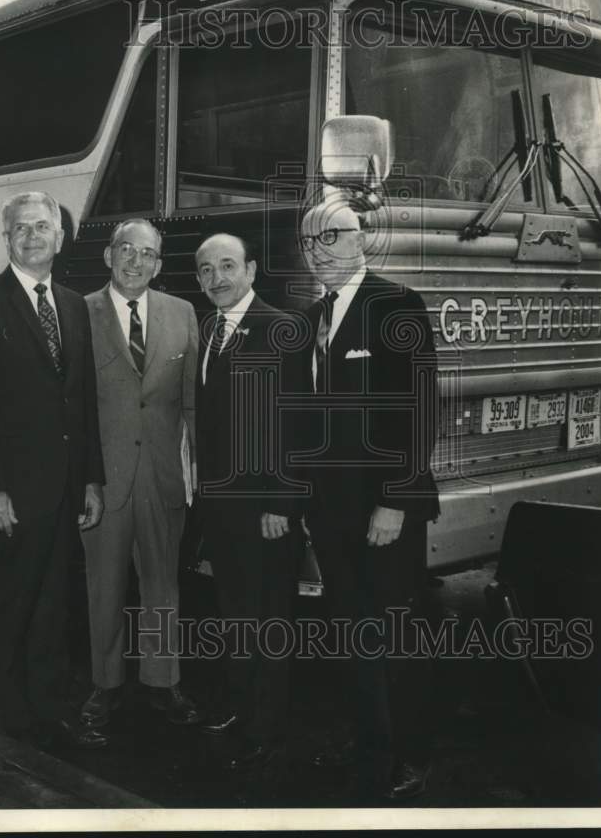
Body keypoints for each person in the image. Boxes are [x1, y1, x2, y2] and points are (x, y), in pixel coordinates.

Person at [0, 191, 106, 749]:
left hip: (65, 488)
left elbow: (81, 400)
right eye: (21, 228)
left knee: (54, 601)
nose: (33, 236)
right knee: (13, 598)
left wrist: (90, 478)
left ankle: (49, 709)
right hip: (13, 491)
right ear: (6, 238)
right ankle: (12, 715)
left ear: (60, 238)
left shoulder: (73, 304)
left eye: (43, 226)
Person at [298, 199, 439, 799]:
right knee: (353, 632)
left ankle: (406, 756)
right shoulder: (311, 318)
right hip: (330, 512)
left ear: (362, 239)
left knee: (394, 632)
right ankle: (368, 742)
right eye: (310, 241)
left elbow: (418, 410)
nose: (320, 249)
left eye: (332, 236)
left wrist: (396, 501)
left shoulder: (398, 305)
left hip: (385, 509)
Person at [79, 219, 202, 728]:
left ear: (158, 263)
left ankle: (162, 682)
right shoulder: (77, 312)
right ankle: (104, 686)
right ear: (108, 255)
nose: (135, 261)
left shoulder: (183, 313)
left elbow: (192, 402)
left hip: (162, 476)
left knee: (162, 586)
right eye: (126, 250)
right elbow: (71, 407)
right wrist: (81, 479)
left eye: (147, 254)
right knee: (103, 586)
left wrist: (194, 473)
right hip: (103, 481)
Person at [194, 233, 302, 779]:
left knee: (269, 619)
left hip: (266, 509)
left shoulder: (282, 328)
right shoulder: (208, 331)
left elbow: (296, 423)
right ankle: (241, 710)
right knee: (236, 615)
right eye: (207, 269)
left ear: (252, 270)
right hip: (223, 509)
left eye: (228, 266)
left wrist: (281, 501)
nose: (218, 278)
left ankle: (267, 730)